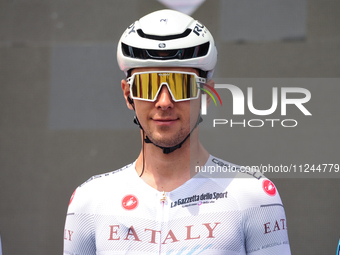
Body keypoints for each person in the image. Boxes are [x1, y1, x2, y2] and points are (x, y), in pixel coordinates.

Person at [63, 9, 291, 254]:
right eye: (148, 85)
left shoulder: (254, 197)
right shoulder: (90, 202)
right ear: (128, 94)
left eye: (181, 85)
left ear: (206, 95)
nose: (164, 101)